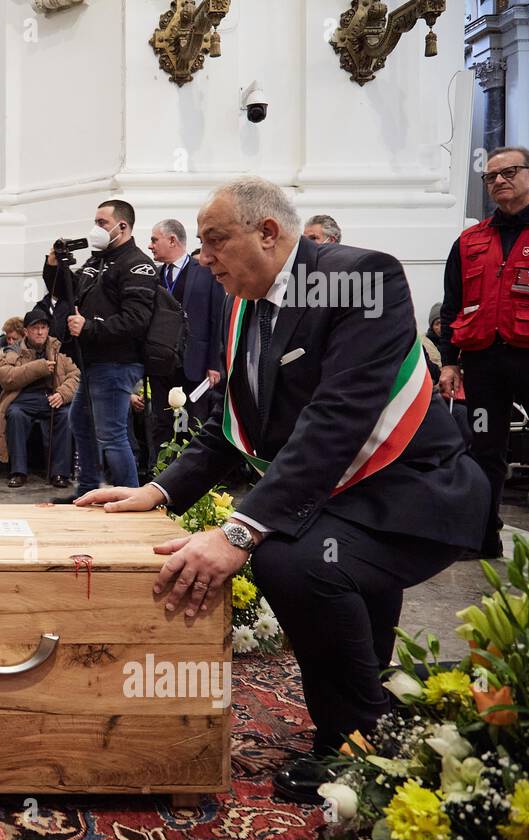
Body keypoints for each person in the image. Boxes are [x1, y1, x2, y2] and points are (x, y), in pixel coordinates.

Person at [80, 177, 487, 804]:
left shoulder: (362, 279)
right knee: (320, 556)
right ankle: (373, 705)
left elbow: (338, 419)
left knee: (290, 558)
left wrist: (241, 529)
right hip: (344, 497)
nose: (202, 256)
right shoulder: (249, 300)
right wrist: (157, 492)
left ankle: (357, 745)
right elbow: (228, 421)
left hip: (414, 494)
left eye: (214, 241)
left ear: (267, 232)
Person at [438, 145, 529, 559]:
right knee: (484, 451)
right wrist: (449, 362)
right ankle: (483, 537)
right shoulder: (470, 240)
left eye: (509, 172)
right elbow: (452, 304)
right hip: (483, 362)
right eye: (491, 176)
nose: (499, 180)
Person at [44, 199, 154, 498]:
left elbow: (137, 320)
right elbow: (65, 291)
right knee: (80, 422)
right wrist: (54, 264)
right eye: (95, 222)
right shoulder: (97, 261)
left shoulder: (137, 265)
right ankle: (88, 490)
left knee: (111, 434)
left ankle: (131, 497)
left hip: (117, 361)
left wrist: (90, 327)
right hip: (93, 361)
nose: (97, 229)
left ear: (123, 226)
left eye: (102, 223)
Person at [147, 218, 225, 452]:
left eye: (154, 240)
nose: (150, 246)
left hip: (195, 364)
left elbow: (216, 318)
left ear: (172, 240)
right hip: (162, 363)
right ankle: (159, 474)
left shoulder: (205, 271)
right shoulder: (154, 276)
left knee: (194, 423)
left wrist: (215, 364)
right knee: (162, 422)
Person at [0, 306, 78, 488]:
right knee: (15, 414)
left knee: (66, 415)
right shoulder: (14, 350)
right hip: (23, 398)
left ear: (48, 330)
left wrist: (63, 394)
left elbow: (75, 376)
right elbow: (4, 376)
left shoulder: (57, 349)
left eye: (43, 328)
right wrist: (38, 368)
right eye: (35, 328)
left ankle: (60, 474)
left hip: (51, 397)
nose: (40, 332)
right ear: (26, 331)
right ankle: (18, 471)